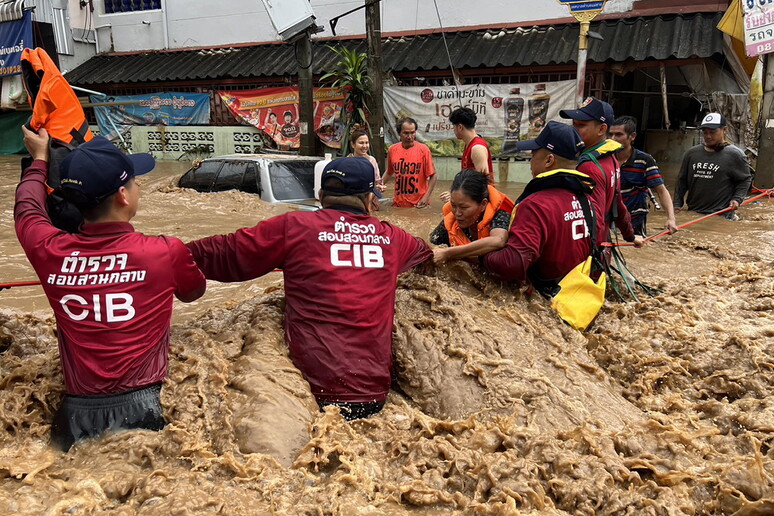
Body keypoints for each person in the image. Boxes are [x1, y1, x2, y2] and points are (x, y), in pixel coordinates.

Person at [186, 157, 433, 421]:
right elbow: (427, 254)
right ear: (370, 198)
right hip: (373, 394)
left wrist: (161, 255)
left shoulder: (293, 227)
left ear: (320, 195)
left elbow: (220, 254)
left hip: (305, 393)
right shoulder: (393, 238)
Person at [14, 128, 206, 451]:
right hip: (145, 411)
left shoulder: (50, 252)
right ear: (123, 195)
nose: (138, 185)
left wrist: (40, 159)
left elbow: (27, 209)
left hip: (73, 419)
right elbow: (193, 291)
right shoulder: (164, 252)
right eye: (134, 180)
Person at [484, 121, 610, 291]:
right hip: (581, 295)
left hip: (548, 297)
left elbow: (511, 265)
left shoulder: (535, 205)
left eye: (534, 154)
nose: (530, 161)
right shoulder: (590, 200)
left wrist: (480, 252)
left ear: (549, 160)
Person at [560, 97, 640, 246]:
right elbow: (618, 203)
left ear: (602, 129)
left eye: (581, 125)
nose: (574, 130)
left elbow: (591, 218)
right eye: (574, 124)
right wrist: (630, 235)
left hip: (590, 251)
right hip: (602, 244)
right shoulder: (610, 158)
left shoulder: (588, 167)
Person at [673, 113, 752, 221]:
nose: (708, 136)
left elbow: (745, 179)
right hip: (694, 212)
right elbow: (682, 180)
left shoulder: (735, 155)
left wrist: (737, 199)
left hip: (722, 214)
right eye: (705, 133)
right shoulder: (691, 154)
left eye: (712, 132)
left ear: (724, 130)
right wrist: (677, 203)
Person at [609, 115, 678, 235]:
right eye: (611, 135)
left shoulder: (644, 161)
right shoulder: (605, 159)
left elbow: (661, 191)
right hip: (610, 219)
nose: (613, 139)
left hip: (635, 220)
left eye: (619, 135)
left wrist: (671, 219)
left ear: (632, 137)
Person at [430, 169, 513, 264]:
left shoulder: (500, 215)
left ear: (483, 204)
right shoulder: (451, 221)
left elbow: (498, 240)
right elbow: (432, 246)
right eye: (453, 205)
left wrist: (448, 253)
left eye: (463, 207)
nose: (457, 213)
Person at [384, 117, 437, 208]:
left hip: (419, 204)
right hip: (398, 203)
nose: (409, 137)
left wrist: (426, 197)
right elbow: (389, 172)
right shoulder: (392, 150)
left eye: (412, 132)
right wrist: (377, 189)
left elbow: (433, 175)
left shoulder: (423, 150)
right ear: (399, 133)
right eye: (406, 133)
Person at [450, 107, 494, 183]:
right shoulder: (468, 144)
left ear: (460, 127)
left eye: (454, 127)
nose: (453, 130)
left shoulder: (477, 148)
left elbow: (483, 183)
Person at [347, 125, 385, 192]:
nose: (364, 146)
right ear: (353, 144)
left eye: (366, 143)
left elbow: (377, 180)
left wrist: (379, 187)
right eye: (361, 143)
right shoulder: (347, 161)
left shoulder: (371, 160)